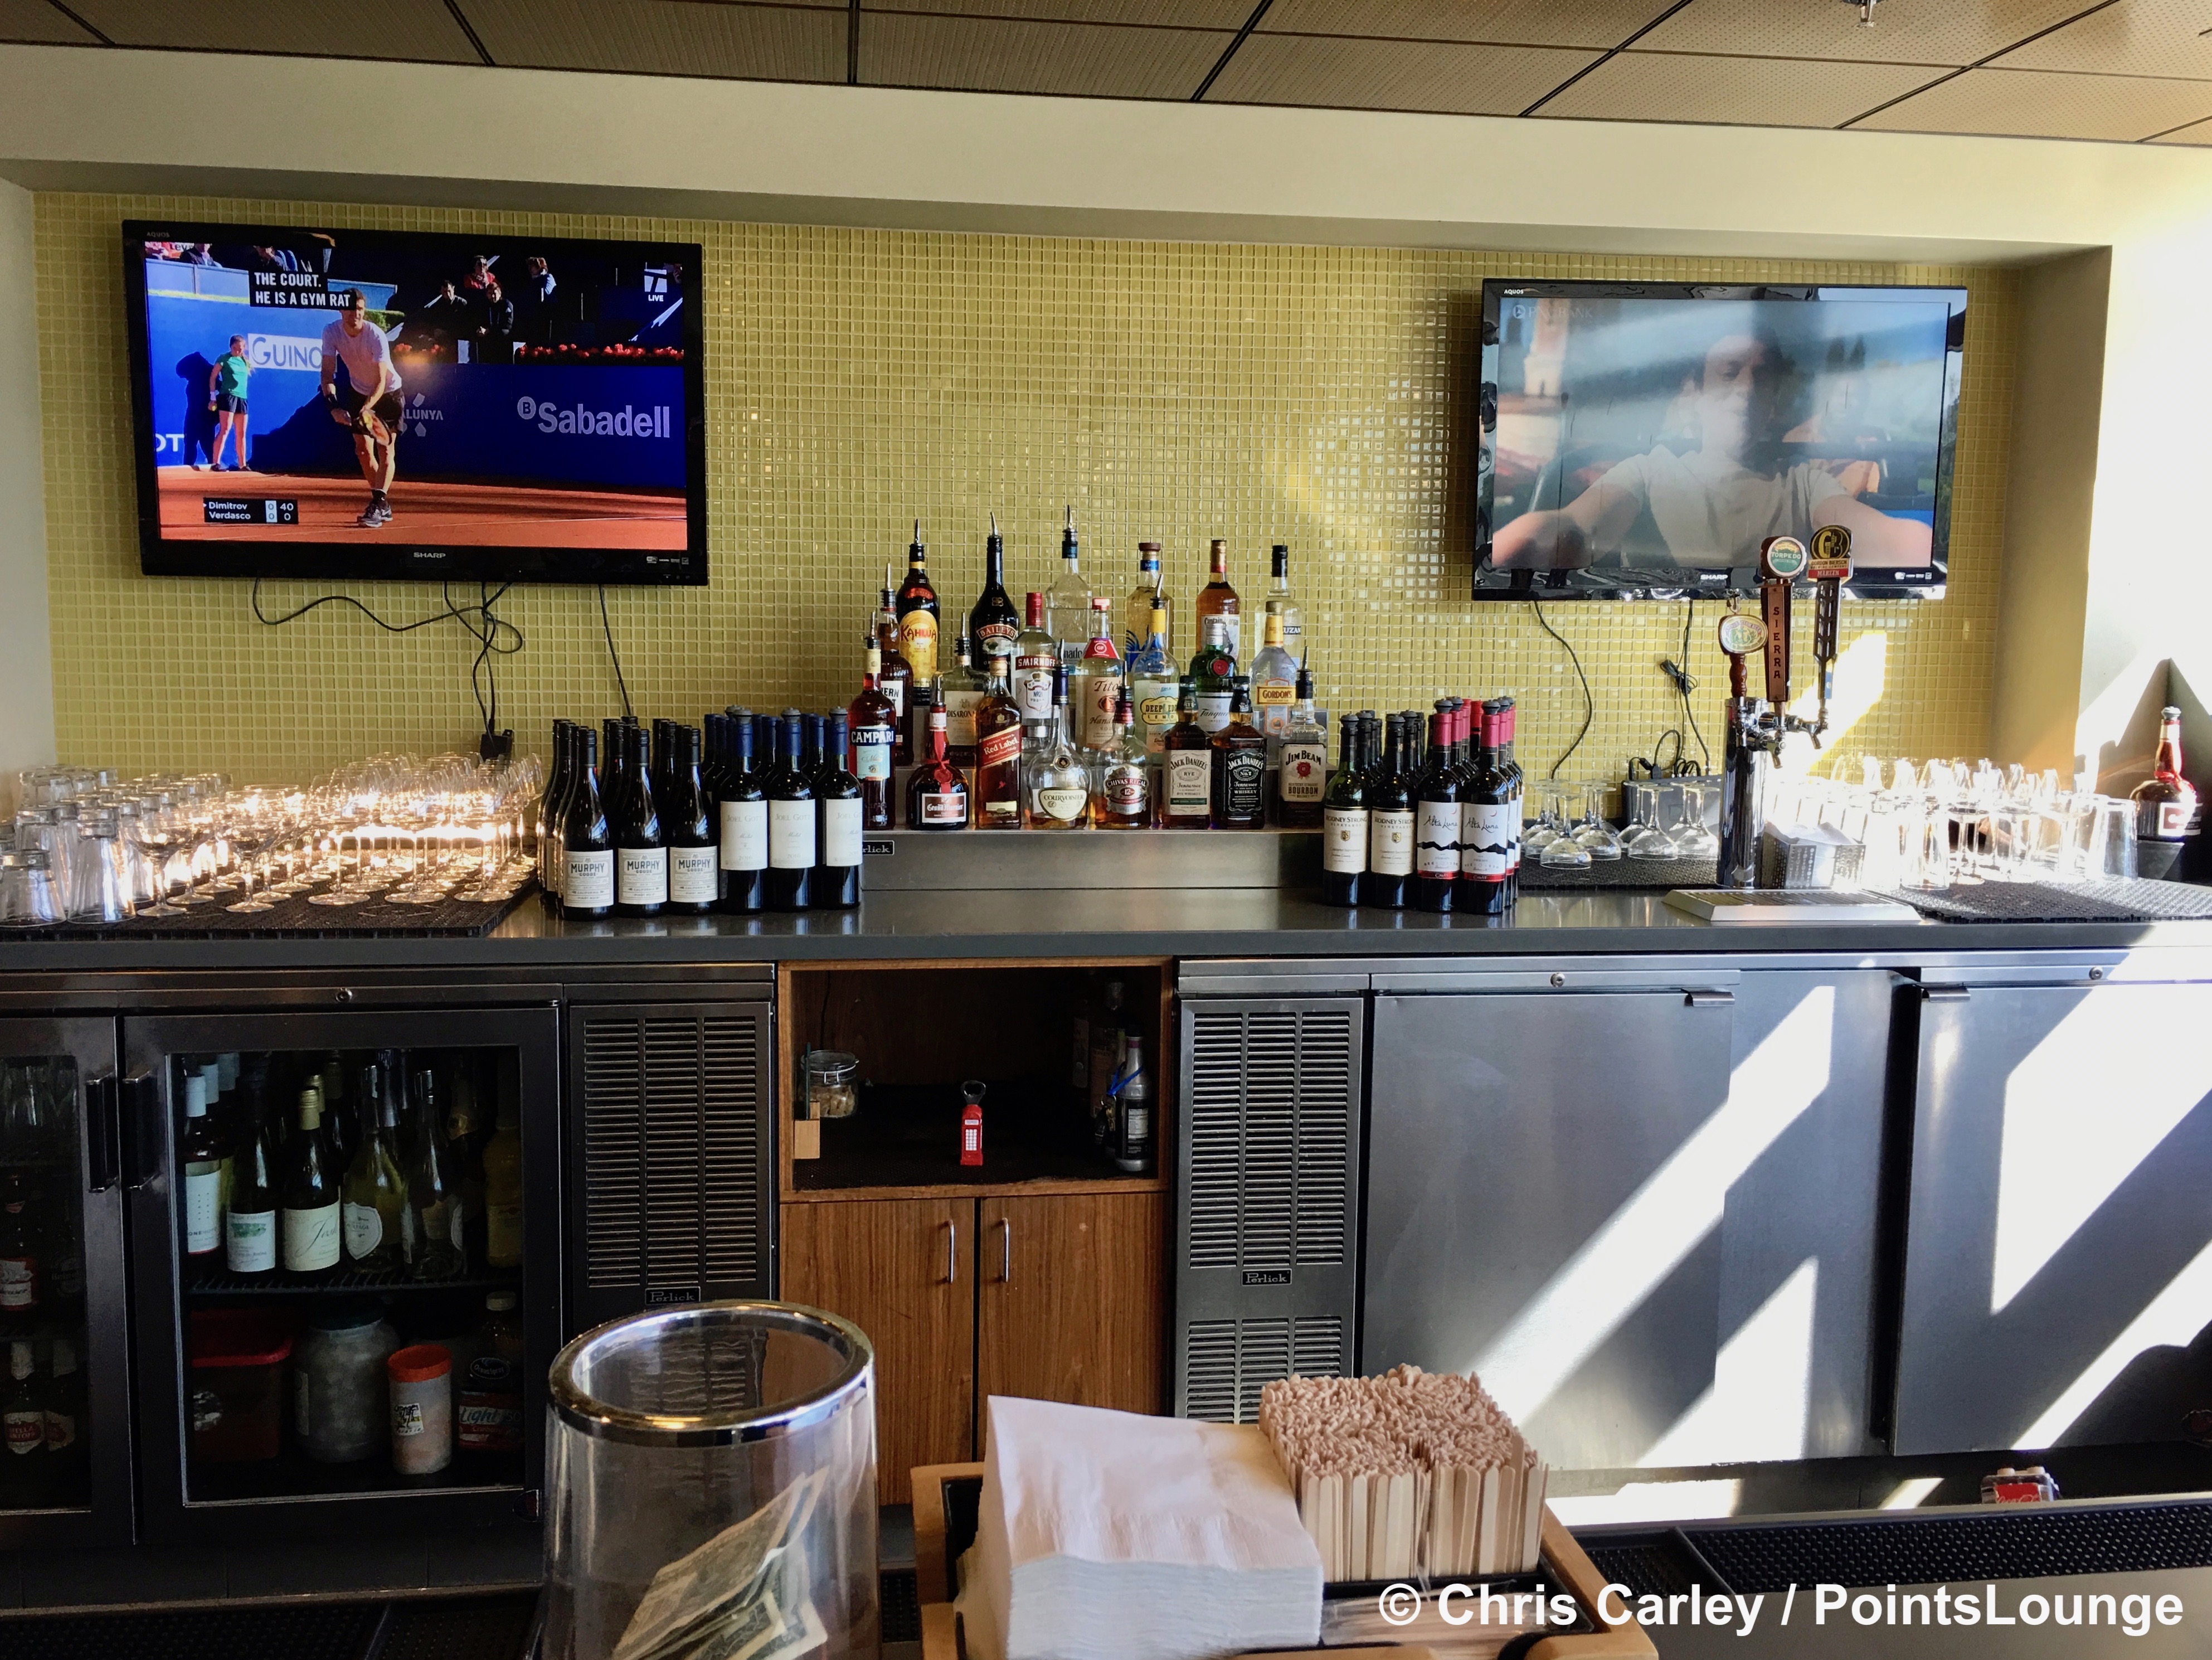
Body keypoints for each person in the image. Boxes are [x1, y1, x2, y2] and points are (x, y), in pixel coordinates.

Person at [1491, 326, 1933, 572]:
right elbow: (1576, 528)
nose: (1745, 390)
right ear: (1693, 391)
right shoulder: (1646, 472)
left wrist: (1923, 549)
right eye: (1728, 372)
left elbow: (1866, 532)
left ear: (1774, 399)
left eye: (1762, 380)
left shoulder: (1802, 482)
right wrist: (1511, 547)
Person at [318, 289, 403, 530]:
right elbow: (327, 373)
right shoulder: (331, 332)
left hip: (387, 394)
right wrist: (333, 406)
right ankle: (381, 502)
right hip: (358, 391)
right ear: (341, 310)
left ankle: (378, 503)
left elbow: (379, 381)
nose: (355, 314)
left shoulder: (376, 335)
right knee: (363, 452)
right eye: (350, 309)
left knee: (386, 449)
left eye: (360, 310)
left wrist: (368, 408)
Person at [206, 334, 251, 472]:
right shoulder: (224, 359)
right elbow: (213, 378)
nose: (238, 351)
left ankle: (242, 465)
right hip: (227, 397)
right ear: (230, 347)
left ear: (244, 348)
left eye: (240, 348)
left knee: (241, 433)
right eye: (235, 348)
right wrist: (213, 398)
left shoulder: (245, 362)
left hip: (242, 398)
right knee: (225, 430)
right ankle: (216, 463)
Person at [475, 278, 515, 363]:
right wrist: (481, 329)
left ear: (499, 293)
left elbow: (507, 326)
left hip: (502, 340)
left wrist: (489, 331)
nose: (492, 296)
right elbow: (481, 321)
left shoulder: (506, 305)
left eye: (494, 293)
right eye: (490, 294)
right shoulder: (485, 306)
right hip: (488, 340)